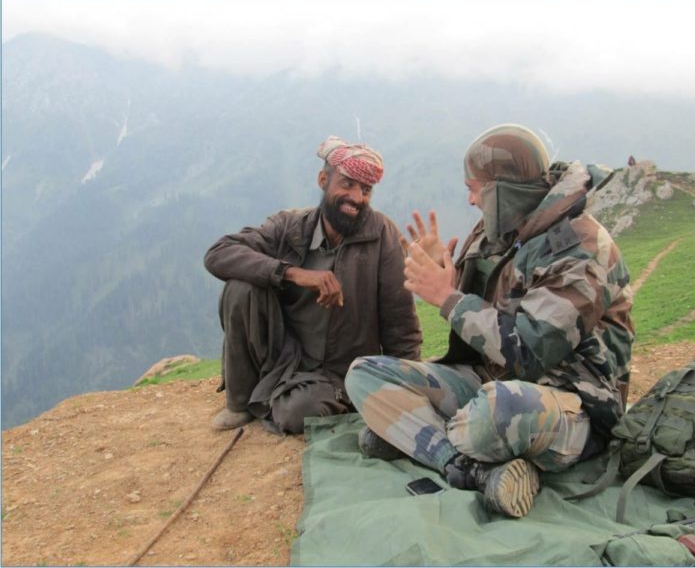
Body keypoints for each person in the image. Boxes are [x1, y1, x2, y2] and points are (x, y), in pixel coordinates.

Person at [345, 124, 635, 518]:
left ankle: (417, 434)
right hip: (491, 379)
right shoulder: (501, 228)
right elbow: (482, 313)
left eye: (475, 188)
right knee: (364, 374)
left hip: (570, 403)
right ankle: (469, 469)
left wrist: (448, 298)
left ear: (504, 190)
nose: (468, 200)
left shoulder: (581, 248)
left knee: (494, 413)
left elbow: (530, 351)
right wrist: (447, 271)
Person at [204, 136, 421, 434]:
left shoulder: (382, 236)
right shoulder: (289, 226)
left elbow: (401, 322)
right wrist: (292, 273)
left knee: (301, 413)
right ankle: (241, 403)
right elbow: (218, 254)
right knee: (240, 287)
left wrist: (408, 389)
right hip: (284, 355)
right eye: (347, 185)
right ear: (323, 180)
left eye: (365, 190)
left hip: (338, 371)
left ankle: (282, 398)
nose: (356, 198)